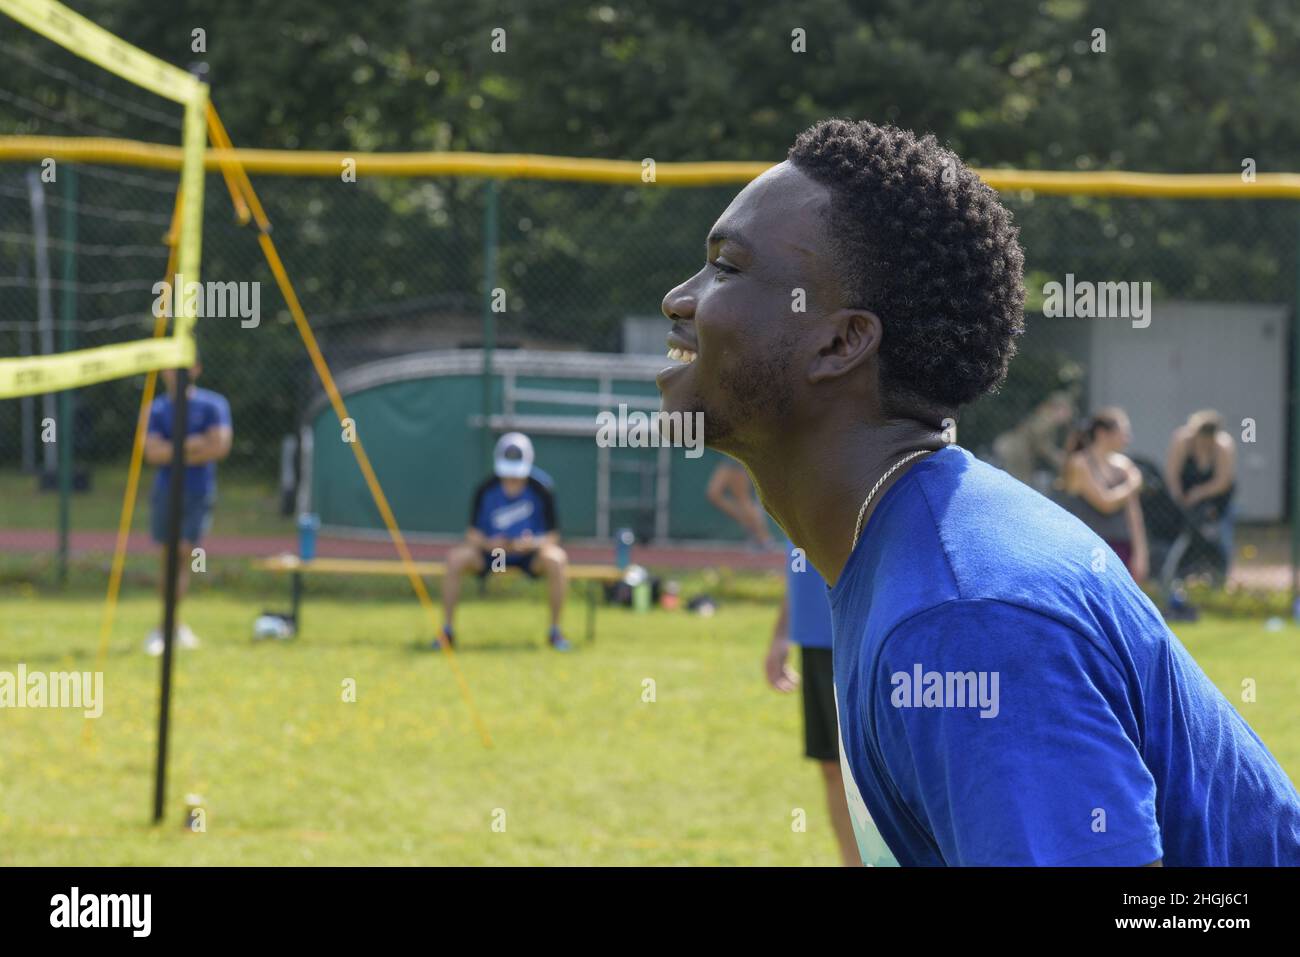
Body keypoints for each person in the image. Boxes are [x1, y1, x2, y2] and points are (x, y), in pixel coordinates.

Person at [655, 118, 1300, 865]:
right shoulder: (906, 548)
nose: (680, 298)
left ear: (839, 342)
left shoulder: (967, 619)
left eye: (726, 269)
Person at [766, 544, 859, 865]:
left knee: (866, 776)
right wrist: (782, 634)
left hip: (858, 632)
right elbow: (801, 555)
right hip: (815, 639)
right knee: (832, 767)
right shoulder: (790, 493)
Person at [440, 432, 571, 651]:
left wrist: (532, 543)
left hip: (529, 556)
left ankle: (555, 632)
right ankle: (447, 631)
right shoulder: (485, 488)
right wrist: (489, 543)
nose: (512, 478)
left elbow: (553, 536)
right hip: (491, 555)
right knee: (455, 559)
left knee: (557, 559)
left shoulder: (542, 488)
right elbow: (472, 533)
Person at [142, 357, 232, 656]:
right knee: (169, 557)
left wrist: (174, 449)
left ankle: (171, 626)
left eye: (183, 366)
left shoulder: (213, 404)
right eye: (170, 366)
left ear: (197, 369)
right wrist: (194, 443)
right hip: (166, 491)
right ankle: (167, 627)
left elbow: (219, 446)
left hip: (198, 490)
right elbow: (152, 453)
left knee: (184, 553)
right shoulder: (155, 408)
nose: (176, 372)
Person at [1058, 408, 1148, 583]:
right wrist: (1133, 483)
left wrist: (1141, 553)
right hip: (1088, 548)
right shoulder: (1080, 463)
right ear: (1102, 433)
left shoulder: (1124, 465)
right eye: (1123, 432)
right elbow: (1105, 503)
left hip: (1121, 546)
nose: (1128, 438)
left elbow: (1134, 515)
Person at [1164, 409, 1237, 572]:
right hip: (1185, 499)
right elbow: (1172, 475)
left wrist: (1199, 493)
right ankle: (1179, 573)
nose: (1204, 442)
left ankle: (1222, 575)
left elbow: (1223, 481)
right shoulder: (1182, 441)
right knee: (1181, 537)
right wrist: (1179, 499)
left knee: (1222, 537)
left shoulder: (1223, 445)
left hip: (1218, 501)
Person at [991, 390, 1074, 492]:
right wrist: (1058, 458)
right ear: (1058, 409)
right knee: (1018, 488)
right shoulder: (1047, 420)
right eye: (1066, 411)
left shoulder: (1044, 417)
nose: (1068, 415)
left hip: (1011, 449)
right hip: (1015, 453)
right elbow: (1041, 445)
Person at [706, 461, 775, 550]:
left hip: (738, 458)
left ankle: (765, 539)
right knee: (713, 494)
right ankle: (754, 530)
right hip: (728, 458)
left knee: (743, 498)